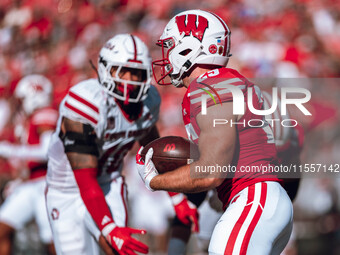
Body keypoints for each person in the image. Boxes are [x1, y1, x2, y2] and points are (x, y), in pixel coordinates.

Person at [137, 9, 293, 255]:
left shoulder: (210, 87)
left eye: (170, 47)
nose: (166, 57)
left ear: (190, 49)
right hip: (259, 199)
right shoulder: (223, 82)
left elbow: (210, 173)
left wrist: (154, 180)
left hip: (253, 198)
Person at [45, 33, 161, 255]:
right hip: (66, 190)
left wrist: (175, 197)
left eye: (136, 73)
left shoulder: (148, 102)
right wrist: (109, 228)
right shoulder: (85, 101)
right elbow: (85, 179)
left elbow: (154, 151)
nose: (129, 80)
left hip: (108, 182)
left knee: (121, 249)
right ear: (105, 69)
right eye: (122, 71)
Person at [0, 74, 58, 255]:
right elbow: (32, 164)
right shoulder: (31, 119)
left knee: (53, 241)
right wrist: (20, 181)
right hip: (32, 184)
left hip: (49, 185)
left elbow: (46, 151)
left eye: (23, 98)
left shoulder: (45, 114)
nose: (21, 104)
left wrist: (10, 150)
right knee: (2, 228)